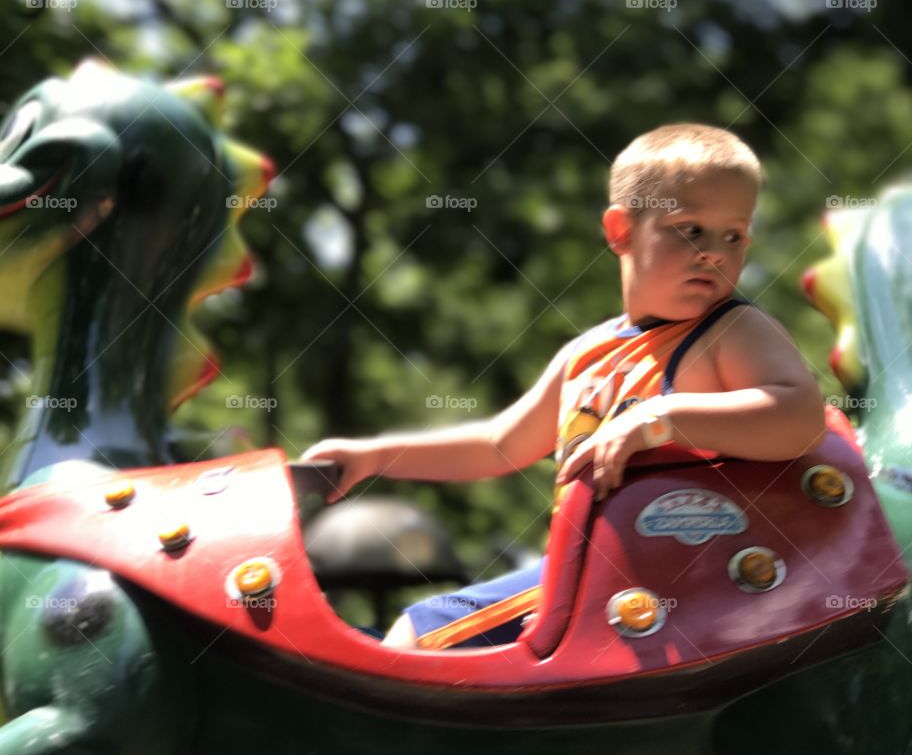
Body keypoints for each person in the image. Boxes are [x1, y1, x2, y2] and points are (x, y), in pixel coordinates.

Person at [300, 124, 827, 649]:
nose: (714, 253)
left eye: (734, 236)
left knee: (421, 632)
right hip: (595, 580)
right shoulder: (587, 354)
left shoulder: (731, 330)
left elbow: (800, 416)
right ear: (621, 231)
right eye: (690, 230)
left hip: (672, 576)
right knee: (408, 637)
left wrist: (658, 418)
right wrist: (375, 457)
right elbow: (500, 444)